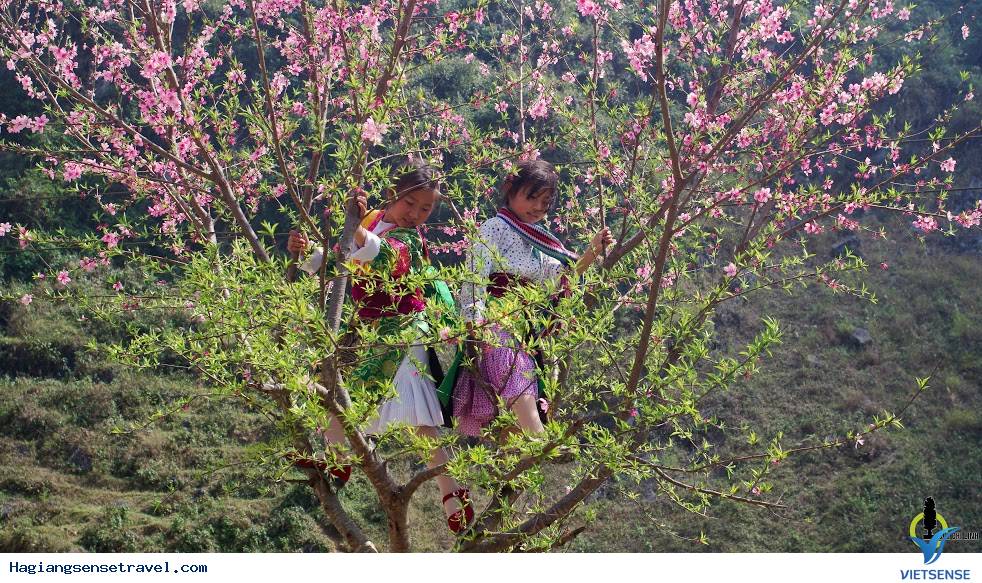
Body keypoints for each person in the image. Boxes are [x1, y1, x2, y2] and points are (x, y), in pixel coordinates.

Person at [288, 160, 473, 534]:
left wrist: (354, 230)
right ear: (393, 195)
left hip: (404, 327)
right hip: (373, 330)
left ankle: (449, 493)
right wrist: (305, 253)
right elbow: (338, 259)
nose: (416, 214)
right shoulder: (369, 221)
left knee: (412, 415)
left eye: (425, 209)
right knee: (347, 394)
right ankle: (342, 460)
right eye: (411, 204)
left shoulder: (403, 238)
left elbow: (384, 255)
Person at [451, 158, 613, 437]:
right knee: (515, 378)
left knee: (511, 427)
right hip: (496, 325)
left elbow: (562, 276)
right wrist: (473, 327)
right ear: (510, 188)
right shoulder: (494, 227)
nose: (538, 208)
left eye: (545, 202)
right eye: (532, 197)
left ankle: (508, 478)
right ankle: (540, 438)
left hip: (524, 330)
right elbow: (476, 278)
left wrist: (593, 251)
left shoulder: (540, 243)